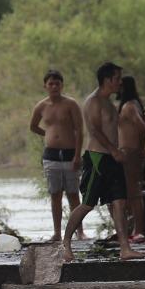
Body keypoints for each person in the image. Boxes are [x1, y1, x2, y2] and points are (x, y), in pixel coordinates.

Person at [61, 63, 141, 262]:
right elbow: (95, 130)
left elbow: (114, 130)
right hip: (98, 158)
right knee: (87, 204)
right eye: (117, 78)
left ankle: (125, 248)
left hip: (113, 158)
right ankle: (65, 243)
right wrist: (114, 150)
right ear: (107, 79)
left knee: (119, 203)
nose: (120, 82)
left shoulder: (109, 102)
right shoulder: (94, 101)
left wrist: (121, 149)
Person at [28, 69, 84, 243]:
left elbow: (80, 131)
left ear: (62, 85)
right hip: (51, 155)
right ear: (45, 86)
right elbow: (33, 126)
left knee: (73, 194)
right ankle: (57, 232)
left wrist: (77, 155)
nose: (54, 87)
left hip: (69, 154)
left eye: (57, 83)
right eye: (51, 84)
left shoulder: (71, 104)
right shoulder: (41, 106)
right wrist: (48, 134)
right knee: (55, 194)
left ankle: (79, 231)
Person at [115, 75, 145, 243]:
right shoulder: (133, 104)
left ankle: (139, 231)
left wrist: (140, 147)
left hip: (130, 152)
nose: (116, 86)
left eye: (119, 84)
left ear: (125, 87)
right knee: (128, 192)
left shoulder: (130, 106)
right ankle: (133, 229)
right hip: (128, 152)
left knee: (134, 193)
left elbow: (144, 126)